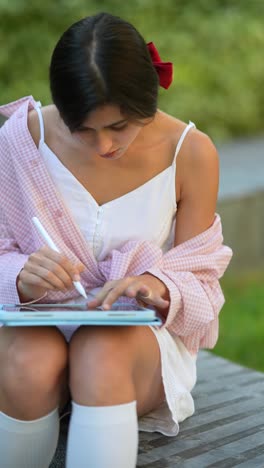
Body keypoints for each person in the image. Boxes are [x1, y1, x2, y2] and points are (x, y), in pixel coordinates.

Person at [0, 12, 232, 468]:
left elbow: (200, 275)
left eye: (119, 127)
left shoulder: (191, 152)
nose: (103, 145)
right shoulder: (20, 140)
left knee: (99, 348)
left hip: (131, 342)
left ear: (147, 99)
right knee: (31, 358)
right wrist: (20, 277)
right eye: (81, 129)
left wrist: (155, 285)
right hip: (33, 327)